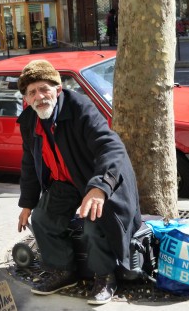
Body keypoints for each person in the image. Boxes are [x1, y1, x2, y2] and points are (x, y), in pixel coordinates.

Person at [16, 59, 142, 305]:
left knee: (94, 225)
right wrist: (27, 203)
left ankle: (105, 277)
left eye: (44, 89)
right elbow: (29, 163)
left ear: (58, 89)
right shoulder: (29, 121)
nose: (40, 96)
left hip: (95, 179)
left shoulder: (80, 107)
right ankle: (63, 271)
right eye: (32, 92)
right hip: (65, 182)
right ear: (26, 99)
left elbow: (112, 147)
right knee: (42, 219)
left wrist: (99, 187)